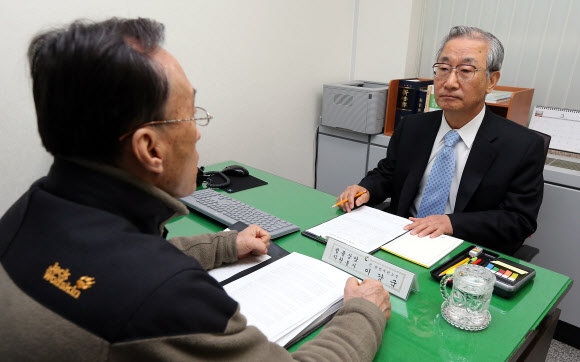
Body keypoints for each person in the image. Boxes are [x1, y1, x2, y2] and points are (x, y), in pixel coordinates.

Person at [0, 18, 391, 361]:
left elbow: (107, 263)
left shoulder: (27, 212)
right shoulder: (165, 295)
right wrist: (362, 313)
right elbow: (139, 281)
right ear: (150, 148)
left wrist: (223, 246)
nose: (198, 129)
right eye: (190, 114)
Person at [338, 26, 544, 255]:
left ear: (491, 80)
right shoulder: (412, 127)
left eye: (466, 70)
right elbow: (388, 174)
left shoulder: (521, 145)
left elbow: (519, 220)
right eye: (443, 69)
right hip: (400, 237)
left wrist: (450, 223)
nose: (450, 82)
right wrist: (365, 190)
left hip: (463, 251)